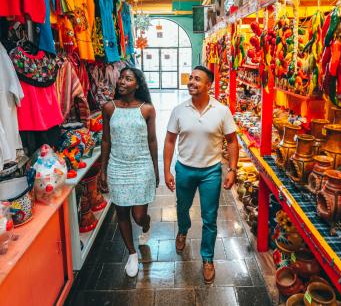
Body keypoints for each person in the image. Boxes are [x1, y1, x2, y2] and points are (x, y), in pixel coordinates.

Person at [163, 65, 239, 284]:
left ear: (209, 85)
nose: (192, 82)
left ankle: (207, 258)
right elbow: (169, 141)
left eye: (197, 79)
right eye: (191, 78)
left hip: (211, 172)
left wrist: (232, 169)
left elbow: (233, 141)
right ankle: (183, 231)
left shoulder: (221, 110)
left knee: (209, 218)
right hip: (185, 169)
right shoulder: (179, 110)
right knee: (182, 207)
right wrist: (167, 170)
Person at [98, 67, 159, 278]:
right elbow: (105, 141)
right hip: (117, 167)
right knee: (122, 212)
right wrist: (103, 170)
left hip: (141, 166)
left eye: (128, 78)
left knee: (138, 215)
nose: (122, 82)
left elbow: (152, 141)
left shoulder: (147, 109)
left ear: (138, 84)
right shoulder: (109, 108)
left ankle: (146, 223)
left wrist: (156, 169)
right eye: (121, 78)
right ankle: (132, 253)